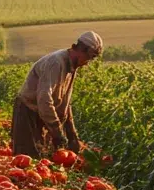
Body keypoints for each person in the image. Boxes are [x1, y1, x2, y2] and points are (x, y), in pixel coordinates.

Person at [11, 31, 103, 159]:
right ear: (81, 50)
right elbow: (44, 99)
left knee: (41, 157)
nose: (87, 62)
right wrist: (57, 131)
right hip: (28, 111)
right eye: (89, 57)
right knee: (26, 157)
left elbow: (65, 102)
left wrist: (71, 134)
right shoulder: (56, 63)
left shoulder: (72, 67)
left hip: (41, 113)